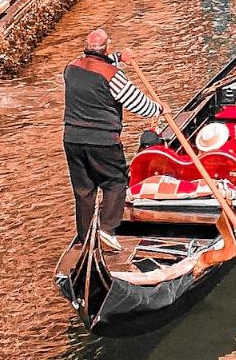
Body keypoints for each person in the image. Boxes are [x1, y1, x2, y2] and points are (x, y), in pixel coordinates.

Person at [63, 27, 164, 271]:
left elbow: (94, 66)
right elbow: (137, 102)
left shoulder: (70, 68)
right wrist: (159, 110)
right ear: (105, 48)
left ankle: (85, 238)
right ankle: (107, 230)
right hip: (103, 141)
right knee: (115, 183)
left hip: (72, 139)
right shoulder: (113, 76)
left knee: (84, 190)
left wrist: (119, 57)